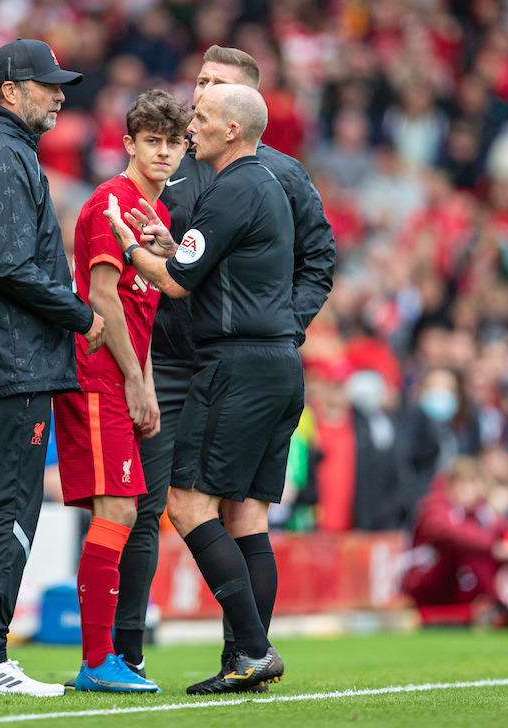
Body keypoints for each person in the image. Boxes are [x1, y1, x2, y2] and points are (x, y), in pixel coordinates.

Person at [120, 45, 335, 679]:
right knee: (243, 515)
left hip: (233, 365)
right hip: (262, 365)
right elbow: (215, 261)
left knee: (185, 505)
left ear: (235, 119)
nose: (192, 123)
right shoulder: (255, 180)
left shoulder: (243, 181)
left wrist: (134, 249)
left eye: (206, 109)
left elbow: (184, 280)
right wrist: (171, 249)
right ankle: (242, 655)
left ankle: (250, 648)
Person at [0, 39, 104, 697]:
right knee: (6, 513)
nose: (60, 95)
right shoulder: (4, 154)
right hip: (10, 364)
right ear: (10, 90)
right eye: (47, 84)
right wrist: (82, 316)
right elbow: (11, 264)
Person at [56, 89, 190, 694]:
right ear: (129, 144)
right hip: (97, 377)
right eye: (151, 141)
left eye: (173, 142)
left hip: (124, 378)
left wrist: (151, 388)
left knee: (124, 511)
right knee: (118, 510)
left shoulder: (152, 218)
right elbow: (103, 299)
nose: (162, 152)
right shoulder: (113, 202)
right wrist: (136, 385)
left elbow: (144, 318)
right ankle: (95, 661)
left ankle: (102, 657)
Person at [401, 457, 508, 627]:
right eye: (462, 484)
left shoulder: (480, 512)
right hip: (425, 583)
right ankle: (504, 605)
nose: (467, 490)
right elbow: (450, 533)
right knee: (474, 551)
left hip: (457, 586)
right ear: (451, 485)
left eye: (472, 484)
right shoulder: (435, 506)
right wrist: (495, 548)